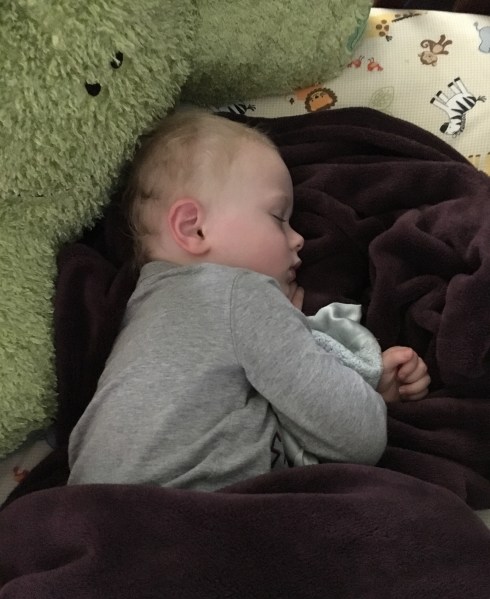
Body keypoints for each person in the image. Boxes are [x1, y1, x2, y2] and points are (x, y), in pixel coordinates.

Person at [68, 110, 430, 491]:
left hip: (89, 507)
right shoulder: (240, 295)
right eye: (278, 217)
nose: (298, 239)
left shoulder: (142, 310)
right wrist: (368, 394)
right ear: (194, 228)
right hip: (177, 512)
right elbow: (360, 436)